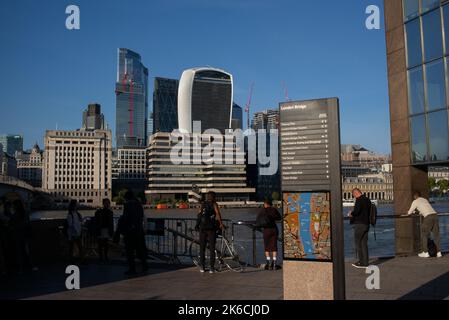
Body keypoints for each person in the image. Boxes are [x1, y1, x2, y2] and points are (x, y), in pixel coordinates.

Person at [116, 190, 148, 275]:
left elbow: (126, 217)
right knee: (140, 250)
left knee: (129, 251)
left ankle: (132, 269)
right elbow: (141, 216)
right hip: (139, 230)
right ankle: (144, 265)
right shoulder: (139, 205)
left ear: (126, 197)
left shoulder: (127, 205)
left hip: (130, 232)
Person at [405, 191, 442, 258]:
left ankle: (425, 252)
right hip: (435, 215)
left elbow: (409, 212)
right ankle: (439, 252)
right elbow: (424, 208)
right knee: (436, 235)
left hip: (428, 217)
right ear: (420, 195)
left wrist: (408, 211)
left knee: (424, 234)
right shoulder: (425, 200)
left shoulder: (415, 201)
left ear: (415, 196)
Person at [198, 191, 224, 274]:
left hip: (202, 228)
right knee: (212, 248)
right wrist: (221, 224)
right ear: (214, 197)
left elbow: (199, 214)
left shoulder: (203, 204)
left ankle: (202, 267)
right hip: (211, 228)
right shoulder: (214, 204)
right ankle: (211, 268)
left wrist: (198, 224)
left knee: (202, 248)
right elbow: (218, 214)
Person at [10, 199, 36, 273]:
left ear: (15, 206)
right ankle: (30, 266)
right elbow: (28, 223)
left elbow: (13, 224)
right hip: (25, 235)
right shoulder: (25, 213)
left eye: (13, 205)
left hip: (18, 235)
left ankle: (21, 268)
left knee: (19, 252)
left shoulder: (15, 215)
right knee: (26, 251)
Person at [348, 188, 371, 269]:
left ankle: (361, 262)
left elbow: (357, 211)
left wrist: (351, 213)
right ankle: (366, 262)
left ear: (355, 193)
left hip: (359, 224)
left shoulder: (359, 200)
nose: (354, 197)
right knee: (364, 244)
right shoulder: (367, 199)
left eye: (353, 195)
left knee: (358, 244)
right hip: (366, 224)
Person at [256, 199, 281, 270]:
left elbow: (258, 221)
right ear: (271, 204)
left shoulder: (262, 210)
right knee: (274, 247)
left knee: (267, 247)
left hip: (266, 230)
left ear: (265, 204)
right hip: (274, 229)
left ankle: (268, 263)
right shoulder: (274, 210)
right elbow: (279, 218)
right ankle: (275, 264)